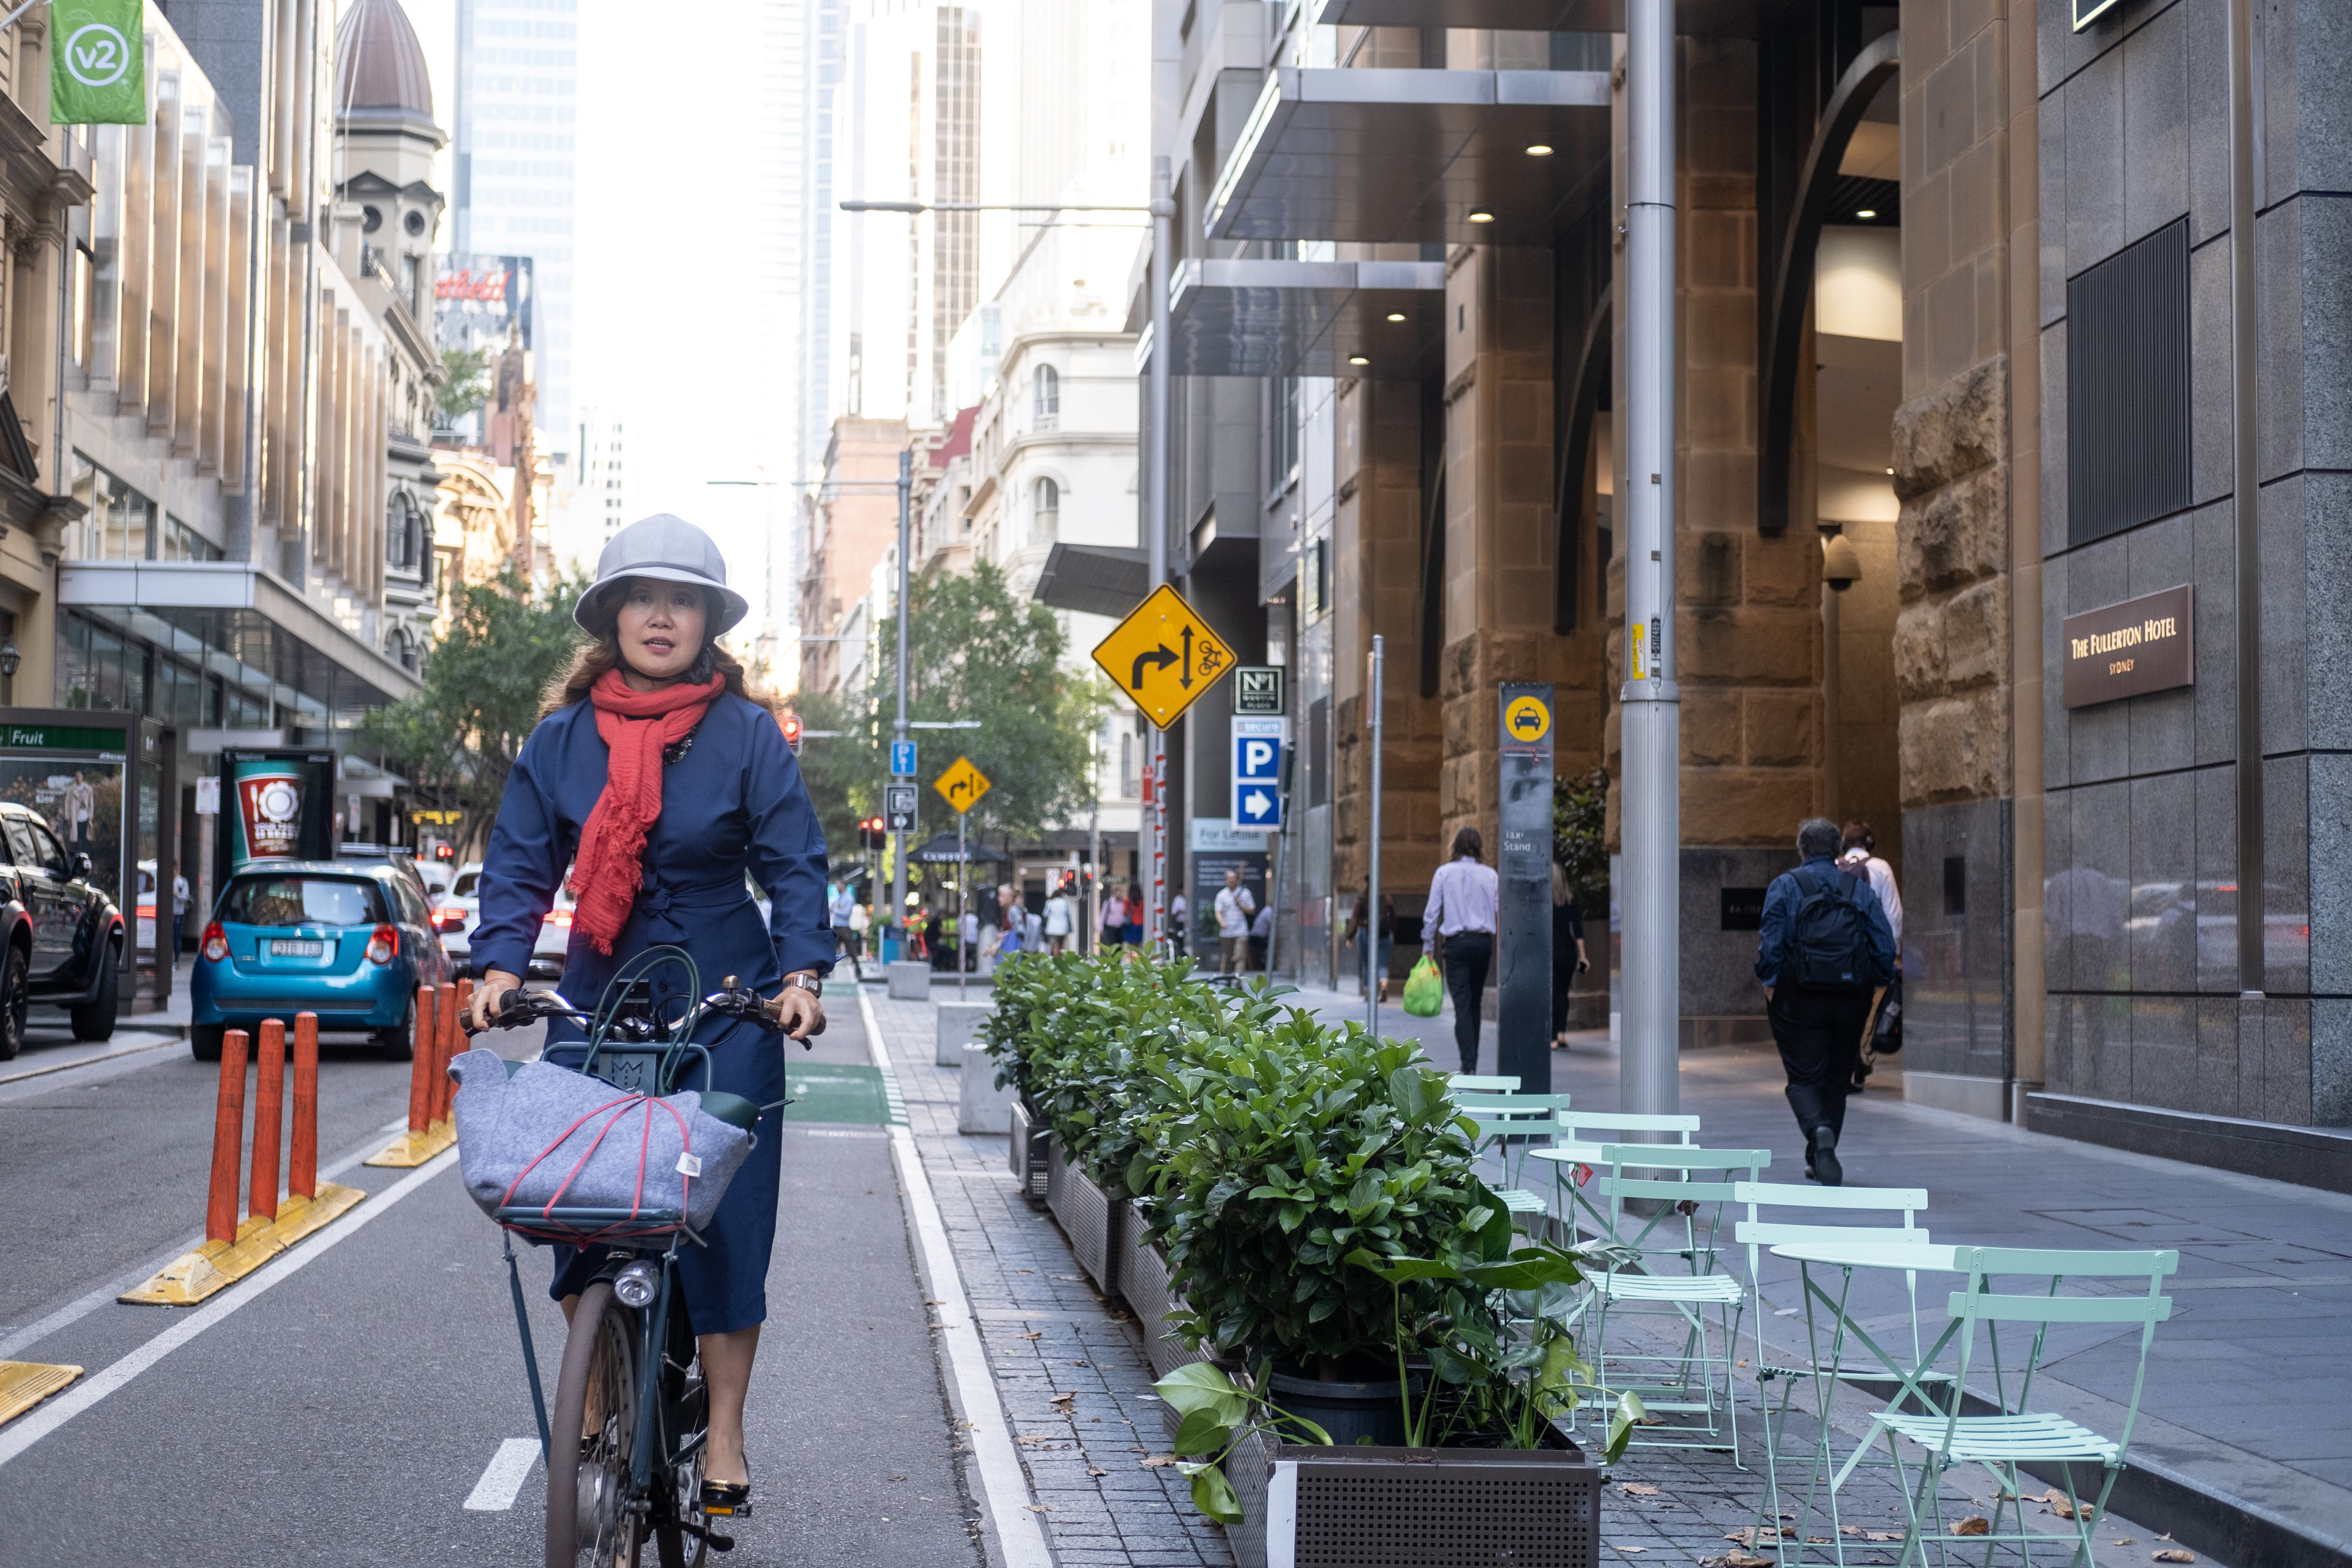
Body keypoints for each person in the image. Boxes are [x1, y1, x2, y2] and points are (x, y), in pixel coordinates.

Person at [467, 513, 830, 1517]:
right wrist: (498, 969)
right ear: (612, 616)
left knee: (726, 1215)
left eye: (682, 599)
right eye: (642, 596)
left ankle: (724, 1427)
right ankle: (592, 1383)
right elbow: (519, 862)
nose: (661, 615)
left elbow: (795, 860)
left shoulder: (749, 734)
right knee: (569, 1182)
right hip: (599, 986)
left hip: (726, 993)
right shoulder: (561, 738)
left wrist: (800, 976)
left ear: (709, 620)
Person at [1753, 817, 1896, 1186]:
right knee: (1836, 1078)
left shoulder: (1785, 885)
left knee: (1803, 1077)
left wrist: (1770, 982)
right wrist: (1876, 983)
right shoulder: (1857, 887)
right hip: (1851, 997)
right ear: (1837, 851)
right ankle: (1820, 1156)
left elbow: (1771, 942)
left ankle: (1818, 1131)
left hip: (1798, 997)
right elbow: (1884, 944)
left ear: (1802, 849)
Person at [1423, 827, 1499, 1074]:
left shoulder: (1444, 873)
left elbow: (1432, 913)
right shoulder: (1490, 875)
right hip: (1482, 943)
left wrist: (1427, 945)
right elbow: (1500, 911)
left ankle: (1469, 1064)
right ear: (1479, 847)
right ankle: (1471, 1063)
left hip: (1456, 944)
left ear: (1455, 846)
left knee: (1462, 1005)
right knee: (1475, 1002)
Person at [1839, 821, 1904, 1089]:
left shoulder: (1834, 865)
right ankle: (1858, 1061)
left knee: (1840, 1009)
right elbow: (1894, 917)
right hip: (1867, 956)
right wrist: (1895, 954)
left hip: (1837, 955)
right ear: (1870, 843)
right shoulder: (1880, 868)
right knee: (1865, 1010)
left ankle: (1844, 1064)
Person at [1550, 862, 1591, 1048]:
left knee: (1551, 993)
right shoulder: (1571, 901)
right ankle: (1561, 1033)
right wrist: (1583, 956)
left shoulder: (1543, 902)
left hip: (1549, 952)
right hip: (1567, 951)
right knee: (1562, 993)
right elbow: (1578, 930)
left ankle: (1552, 1038)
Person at [1347, 890, 1397, 1001]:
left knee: (1367, 963)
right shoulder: (1387, 899)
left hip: (1366, 934)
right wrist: (1392, 932)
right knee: (1382, 964)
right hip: (1385, 935)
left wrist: (1350, 936)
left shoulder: (1362, 900)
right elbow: (1393, 918)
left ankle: (1369, 991)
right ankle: (1384, 987)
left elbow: (1355, 918)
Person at [1214, 869, 1255, 974]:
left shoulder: (1245, 893)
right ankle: (1227, 979)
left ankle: (1238, 981)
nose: (1231, 880)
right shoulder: (1221, 895)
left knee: (1239, 957)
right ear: (1226, 880)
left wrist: (1242, 906)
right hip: (1227, 932)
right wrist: (1222, 922)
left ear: (1237, 880)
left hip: (1241, 930)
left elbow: (1252, 910)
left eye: (1233, 878)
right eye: (1229, 878)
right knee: (1228, 957)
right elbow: (1218, 912)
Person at [831, 880, 862, 979]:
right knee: (830, 949)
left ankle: (858, 969)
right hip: (836, 927)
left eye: (839, 885)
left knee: (851, 950)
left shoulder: (849, 898)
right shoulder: (839, 899)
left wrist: (835, 910)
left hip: (844, 928)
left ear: (844, 886)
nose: (837, 888)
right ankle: (826, 971)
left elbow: (846, 914)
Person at [1044, 882, 1074, 956]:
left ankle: (1054, 958)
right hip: (1063, 928)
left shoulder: (1050, 903)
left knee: (1054, 945)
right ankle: (1060, 958)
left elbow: (1045, 915)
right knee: (1061, 945)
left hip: (1052, 928)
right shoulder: (1065, 903)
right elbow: (1069, 915)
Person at [1249, 897, 1274, 973]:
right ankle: (1265, 964)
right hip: (1257, 938)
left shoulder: (1267, 910)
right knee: (1273, 945)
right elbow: (1273, 926)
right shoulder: (1268, 911)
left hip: (1259, 937)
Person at [172, 870, 192, 957]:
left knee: (177, 936)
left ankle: (176, 959)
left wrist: (177, 895)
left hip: (178, 913)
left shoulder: (182, 881)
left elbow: (186, 897)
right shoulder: (167, 880)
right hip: (168, 913)